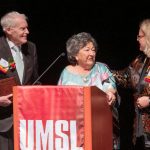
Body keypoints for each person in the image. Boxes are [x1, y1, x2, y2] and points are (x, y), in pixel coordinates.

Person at [58, 32, 120, 149]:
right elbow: (59, 98)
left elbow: (110, 87)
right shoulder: (66, 72)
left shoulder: (101, 68)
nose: (92, 53)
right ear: (75, 54)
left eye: (93, 50)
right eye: (87, 50)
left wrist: (110, 94)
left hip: (101, 126)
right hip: (75, 129)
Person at [0, 11, 40, 150]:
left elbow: (35, 80)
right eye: (22, 28)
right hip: (3, 122)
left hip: (27, 120)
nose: (27, 32)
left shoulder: (31, 48)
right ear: (8, 30)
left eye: (27, 28)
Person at [112, 19, 150, 150]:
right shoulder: (141, 60)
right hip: (141, 129)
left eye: (140, 36)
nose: (137, 39)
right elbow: (126, 77)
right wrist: (103, 71)